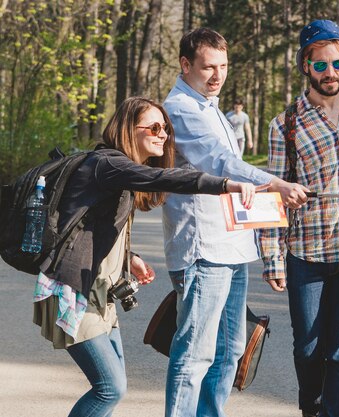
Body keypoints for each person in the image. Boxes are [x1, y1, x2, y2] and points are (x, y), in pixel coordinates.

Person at [32, 96, 256, 417]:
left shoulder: (116, 172)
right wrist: (224, 184)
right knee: (110, 388)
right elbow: (164, 178)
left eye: (164, 127)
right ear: (128, 129)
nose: (162, 134)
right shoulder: (107, 164)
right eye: (153, 127)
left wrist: (130, 257)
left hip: (97, 293)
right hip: (71, 292)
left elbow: (89, 227)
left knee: (112, 386)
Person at [162, 27, 308, 417]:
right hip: (203, 249)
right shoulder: (180, 108)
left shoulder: (213, 108)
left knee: (229, 353)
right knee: (195, 354)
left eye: (223, 66)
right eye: (208, 67)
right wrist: (275, 184)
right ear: (185, 64)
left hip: (233, 247)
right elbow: (221, 164)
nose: (217, 75)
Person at [257, 20, 339, 417]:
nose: (331, 73)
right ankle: (311, 410)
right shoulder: (285, 124)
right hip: (306, 255)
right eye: (321, 65)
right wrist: (273, 258)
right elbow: (273, 196)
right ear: (305, 65)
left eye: (338, 64)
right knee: (307, 349)